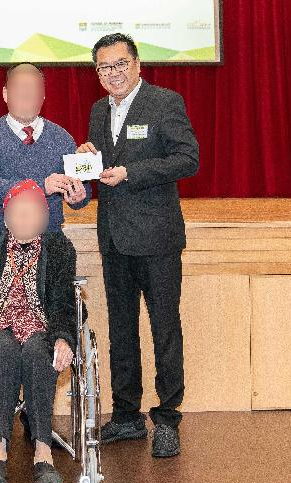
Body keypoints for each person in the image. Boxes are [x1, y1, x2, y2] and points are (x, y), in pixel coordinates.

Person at [76, 33, 199, 458]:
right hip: (113, 236)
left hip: (158, 237)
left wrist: (131, 172)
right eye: (104, 68)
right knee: (122, 329)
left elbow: (188, 159)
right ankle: (126, 414)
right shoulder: (97, 111)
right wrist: (87, 160)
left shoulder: (165, 102)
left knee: (165, 327)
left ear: (138, 64)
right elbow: (99, 169)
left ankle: (167, 416)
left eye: (120, 64)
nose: (114, 74)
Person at [0, 62, 91, 438]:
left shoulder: (61, 138)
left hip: (48, 252)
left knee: (45, 329)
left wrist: (77, 195)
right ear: (5, 94)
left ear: (43, 96)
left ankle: (37, 420)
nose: (26, 96)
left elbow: (76, 200)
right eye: (18, 90)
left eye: (33, 90)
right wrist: (41, 183)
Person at [0, 179, 77, 483]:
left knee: (41, 353)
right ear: (5, 217)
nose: (25, 219)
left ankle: (43, 452)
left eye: (32, 212)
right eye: (18, 212)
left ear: (44, 217)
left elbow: (65, 302)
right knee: (3, 353)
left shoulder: (58, 249)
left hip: (41, 326)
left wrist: (64, 338)